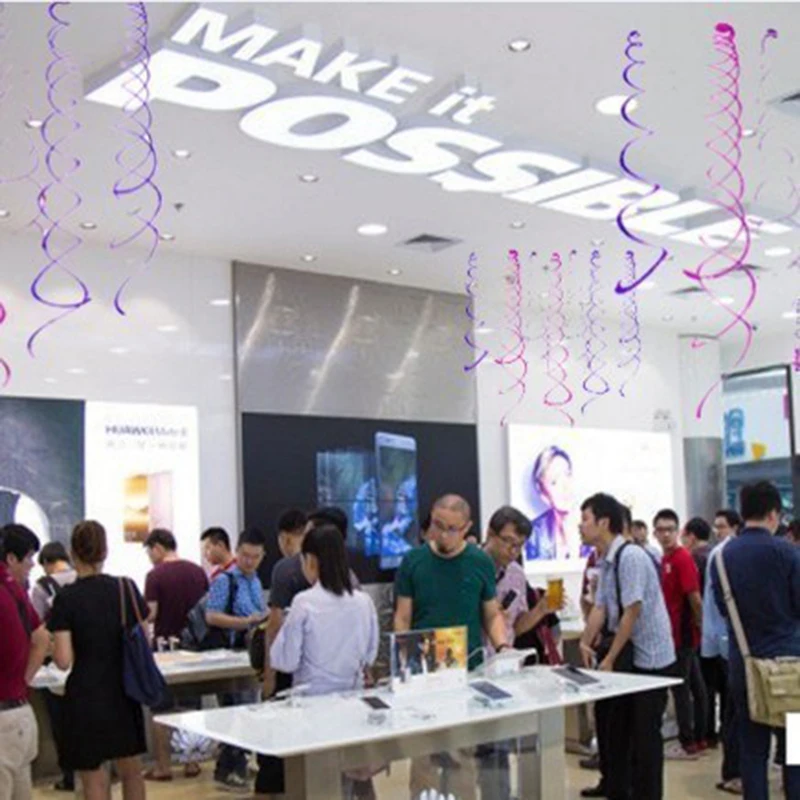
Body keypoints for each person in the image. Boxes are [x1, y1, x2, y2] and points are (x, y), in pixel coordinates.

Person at [395, 494, 507, 800]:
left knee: (462, 757)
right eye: (437, 525)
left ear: (467, 527)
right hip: (423, 671)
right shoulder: (413, 561)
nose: (443, 534)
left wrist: (502, 646)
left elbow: (491, 613)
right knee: (423, 758)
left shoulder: (479, 562)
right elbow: (403, 617)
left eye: (452, 529)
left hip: (465, 672)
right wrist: (402, 661)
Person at [579, 494, 676, 800]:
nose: (580, 526)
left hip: (650, 658)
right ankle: (615, 786)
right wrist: (584, 640)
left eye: (585, 519)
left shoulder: (631, 556)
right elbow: (601, 607)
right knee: (614, 727)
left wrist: (609, 657)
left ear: (603, 522)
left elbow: (632, 611)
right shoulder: (606, 559)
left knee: (644, 736)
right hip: (629, 656)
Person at [710, 482, 800, 800]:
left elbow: (723, 607)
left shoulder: (721, 557)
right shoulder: (788, 553)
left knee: (752, 749)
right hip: (791, 669)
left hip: (745, 666)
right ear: (774, 514)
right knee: (795, 750)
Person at [48, 521, 148, 800]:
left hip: (86, 696)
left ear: (72, 553)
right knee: (132, 771)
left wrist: (52, 644)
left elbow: (64, 660)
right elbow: (144, 637)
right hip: (124, 692)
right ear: (105, 551)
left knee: (94, 779)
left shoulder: (66, 599)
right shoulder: (125, 588)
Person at [479, 506, 561, 800]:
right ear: (490, 534)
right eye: (508, 542)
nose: (513, 551)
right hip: (473, 665)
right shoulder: (471, 565)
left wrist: (541, 610)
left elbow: (518, 625)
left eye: (519, 545)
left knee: (499, 744)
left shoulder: (515, 574)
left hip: (503, 668)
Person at [269, 524, 379, 693]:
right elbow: (370, 656)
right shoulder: (365, 602)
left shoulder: (303, 602)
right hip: (353, 695)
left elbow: (286, 661)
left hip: (311, 698)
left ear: (311, 561)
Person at [143, 528, 208, 782]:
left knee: (161, 709)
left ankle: (163, 766)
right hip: (194, 647)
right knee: (191, 706)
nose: (150, 557)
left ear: (157, 548)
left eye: (149, 552)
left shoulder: (155, 575)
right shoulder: (197, 571)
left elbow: (151, 613)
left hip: (165, 649)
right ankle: (191, 762)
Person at [205, 528, 267, 792]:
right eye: (245, 555)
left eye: (255, 556)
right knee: (233, 712)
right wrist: (244, 622)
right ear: (237, 552)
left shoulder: (255, 581)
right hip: (228, 654)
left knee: (247, 710)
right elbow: (211, 615)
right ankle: (229, 768)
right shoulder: (225, 580)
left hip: (250, 655)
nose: (249, 561)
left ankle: (237, 763)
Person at [653, 508, 708, 760]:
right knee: (694, 685)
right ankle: (700, 737)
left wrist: (700, 626)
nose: (665, 534)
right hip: (673, 633)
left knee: (681, 688)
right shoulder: (665, 559)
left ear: (678, 531)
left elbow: (694, 597)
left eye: (670, 530)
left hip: (682, 634)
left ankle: (688, 742)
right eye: (661, 530)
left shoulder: (682, 558)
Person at [0, 525, 50, 800]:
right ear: (10, 559)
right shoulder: (14, 591)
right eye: (29, 557)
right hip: (19, 712)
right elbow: (41, 637)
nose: (32, 564)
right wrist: (23, 680)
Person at [30, 541, 78, 793]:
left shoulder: (42, 587)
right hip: (87, 660)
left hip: (57, 664)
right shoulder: (83, 579)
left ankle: (69, 775)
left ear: (47, 563)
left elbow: (35, 627)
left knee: (61, 723)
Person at [703, 510, 741, 794]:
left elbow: (716, 604)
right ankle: (794, 777)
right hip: (789, 653)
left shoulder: (721, 556)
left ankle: (736, 774)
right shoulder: (787, 554)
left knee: (737, 716)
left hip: (740, 649)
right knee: (792, 719)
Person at [525, 446, 578, 560]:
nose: (565, 487)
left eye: (568, 475)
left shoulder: (594, 526)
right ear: (543, 494)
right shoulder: (534, 534)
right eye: (554, 482)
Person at [682, 517, 713, 591]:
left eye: (683, 535)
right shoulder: (717, 554)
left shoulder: (693, 559)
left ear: (691, 536)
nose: (682, 540)